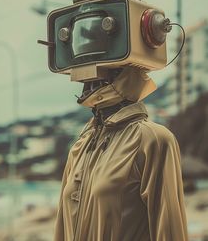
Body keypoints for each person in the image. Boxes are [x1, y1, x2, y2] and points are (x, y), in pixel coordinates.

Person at [53, 66, 188, 241]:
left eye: (100, 76)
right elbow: (62, 230)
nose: (89, 85)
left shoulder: (152, 140)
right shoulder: (80, 146)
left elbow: (170, 230)